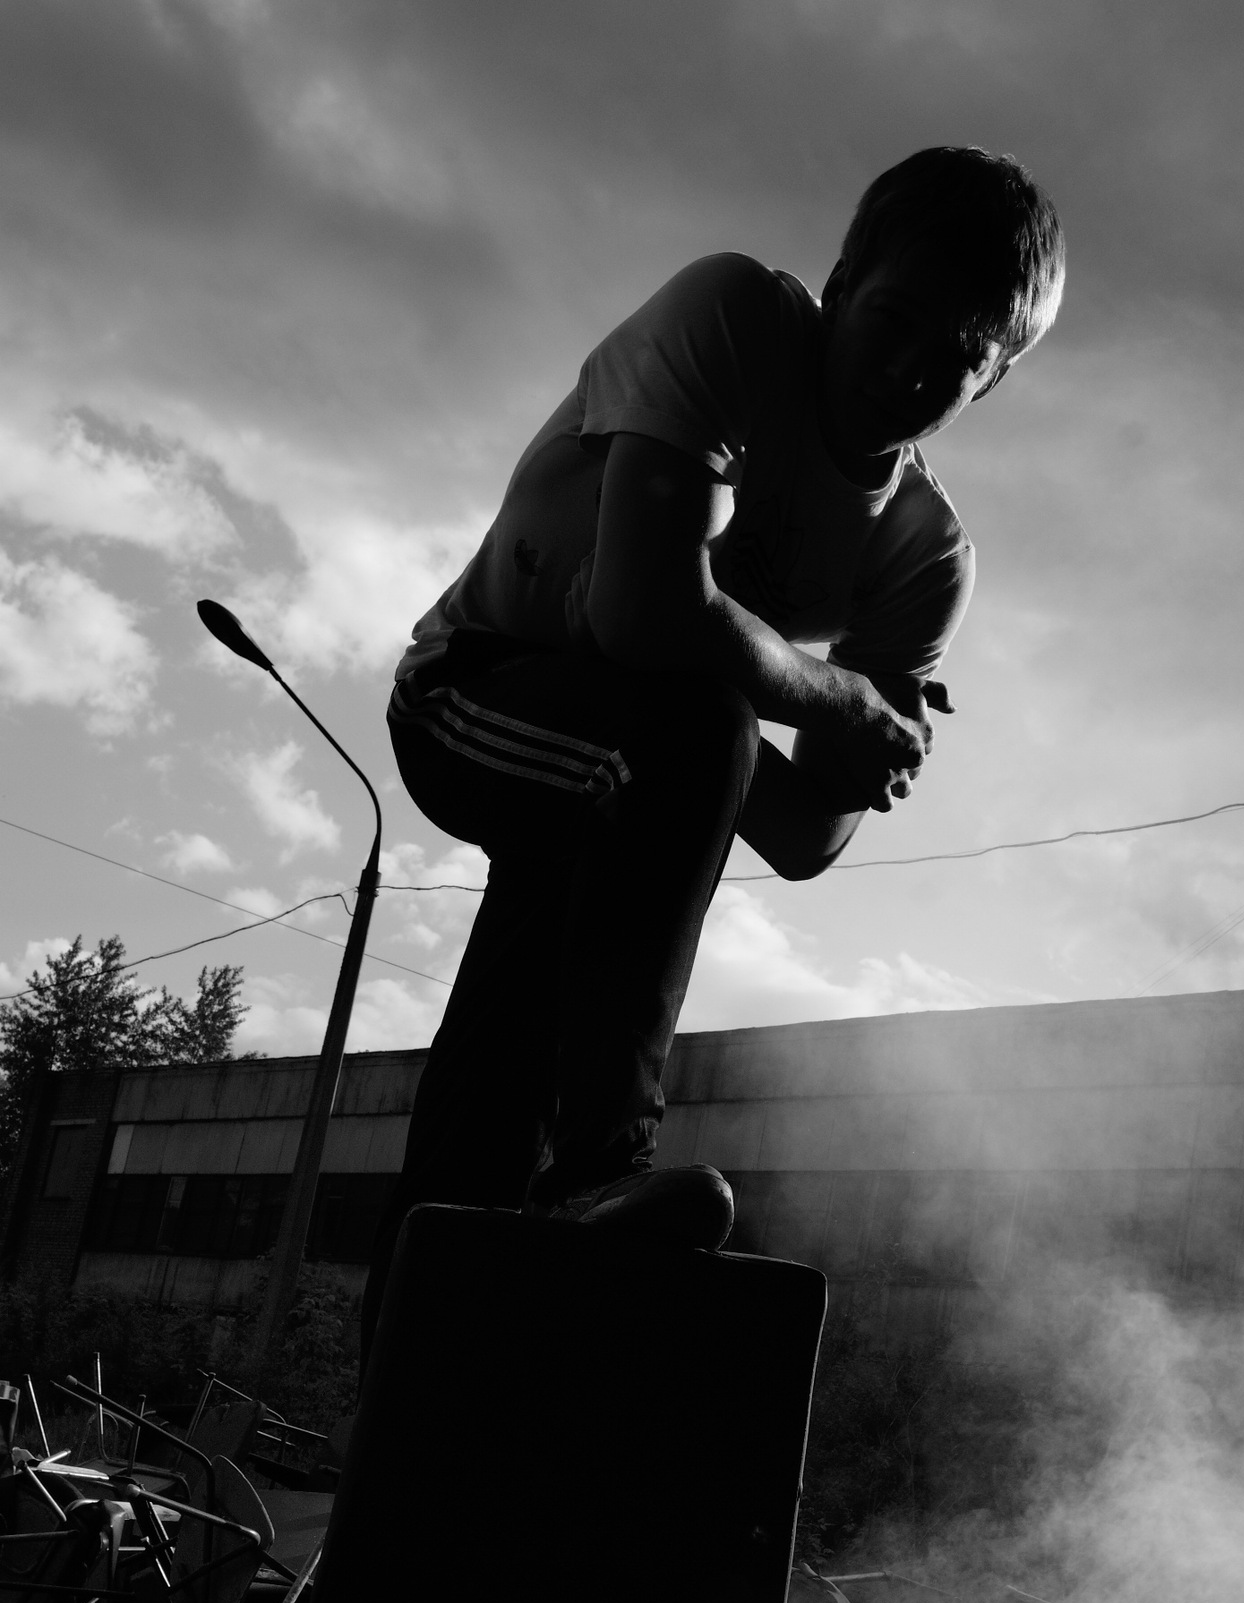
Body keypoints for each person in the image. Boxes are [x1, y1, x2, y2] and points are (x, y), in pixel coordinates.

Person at [360, 144, 1064, 1362]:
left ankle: (409, 1372)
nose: (908, 369)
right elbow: (640, 612)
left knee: (508, 1045)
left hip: (620, 777)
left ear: (993, 377)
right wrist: (836, 698)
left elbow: (799, 834)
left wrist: (857, 736)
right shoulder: (735, 315)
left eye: (957, 356)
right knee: (691, 727)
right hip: (470, 698)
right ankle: (600, 1160)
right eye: (894, 318)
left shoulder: (921, 553)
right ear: (840, 283)